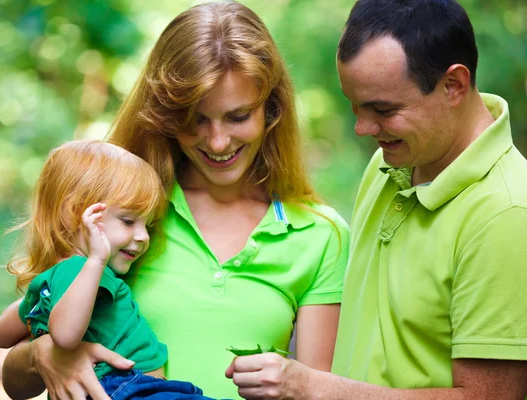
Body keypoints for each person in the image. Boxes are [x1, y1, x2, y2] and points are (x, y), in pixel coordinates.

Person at [0, 2, 350, 399]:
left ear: (272, 111)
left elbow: (316, 389)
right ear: (165, 114)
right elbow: (15, 373)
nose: (217, 142)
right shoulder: (127, 214)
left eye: (237, 117)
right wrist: (42, 354)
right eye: (195, 119)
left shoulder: (321, 235)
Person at [226, 0, 527, 398]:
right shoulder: (390, 163)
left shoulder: (506, 214)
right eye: (355, 106)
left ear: (453, 85)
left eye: (383, 109)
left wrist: (311, 387)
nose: (363, 128)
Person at [0, 140, 213, 399]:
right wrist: (96, 260)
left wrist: (34, 303)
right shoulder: (85, 269)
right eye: (129, 221)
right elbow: (64, 336)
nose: (143, 236)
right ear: (77, 214)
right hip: (125, 389)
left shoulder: (55, 282)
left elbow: (0, 335)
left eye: (148, 225)